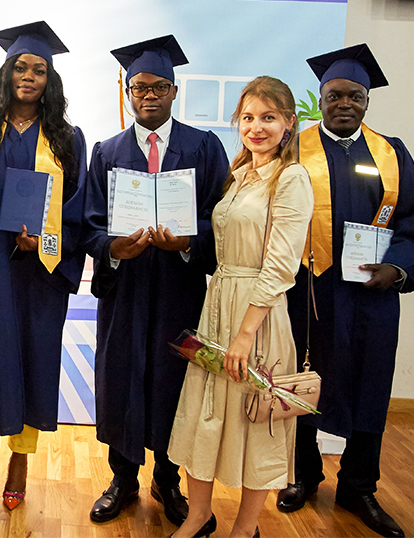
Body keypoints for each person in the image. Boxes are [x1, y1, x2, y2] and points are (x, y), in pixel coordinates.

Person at [276, 45, 414, 538]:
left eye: (355, 97)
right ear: (321, 98)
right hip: (310, 291)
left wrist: (398, 269)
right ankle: (304, 474)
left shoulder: (391, 152)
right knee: (303, 382)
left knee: (371, 383)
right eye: (335, 95)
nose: (345, 104)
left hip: (370, 296)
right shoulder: (295, 147)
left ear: (366, 102)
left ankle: (359, 486)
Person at [82, 35, 229, 527]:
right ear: (128, 92)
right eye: (138, 87)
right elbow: (91, 222)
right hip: (126, 291)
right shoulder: (107, 151)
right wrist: (113, 249)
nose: (148, 95)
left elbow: (221, 220)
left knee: (175, 380)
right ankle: (122, 477)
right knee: (122, 376)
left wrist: (187, 241)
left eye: (158, 87)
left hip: (179, 290)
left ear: (174, 92)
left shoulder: (205, 147)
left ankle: (168, 479)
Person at [167, 76, 313, 538]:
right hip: (218, 303)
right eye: (248, 118)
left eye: (268, 118)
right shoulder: (239, 173)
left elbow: (281, 265)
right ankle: (197, 515)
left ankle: (246, 527)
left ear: (289, 123)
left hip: (259, 314)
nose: (256, 127)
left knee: (256, 416)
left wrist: (246, 333)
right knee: (203, 411)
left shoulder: (291, 178)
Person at [0, 21, 87, 511]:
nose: (28, 75)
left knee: (35, 362)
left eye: (39, 69)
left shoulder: (68, 137)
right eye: (20, 66)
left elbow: (78, 207)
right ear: (6, 72)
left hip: (39, 274)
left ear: (50, 80)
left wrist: (47, 241)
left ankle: (21, 460)